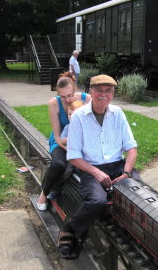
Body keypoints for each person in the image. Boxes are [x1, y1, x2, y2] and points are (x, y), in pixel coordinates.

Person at [58, 74, 138, 258]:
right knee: (97, 201)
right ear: (90, 92)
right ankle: (69, 230)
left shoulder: (117, 113)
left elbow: (131, 148)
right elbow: (73, 156)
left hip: (118, 166)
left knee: (140, 195)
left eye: (108, 91)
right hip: (91, 167)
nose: (104, 94)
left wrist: (126, 172)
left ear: (112, 93)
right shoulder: (78, 116)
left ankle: (133, 231)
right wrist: (96, 173)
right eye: (99, 90)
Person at [37, 72, 91, 211]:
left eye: (70, 95)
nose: (67, 100)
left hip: (83, 143)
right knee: (59, 164)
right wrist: (70, 150)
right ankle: (44, 193)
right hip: (62, 141)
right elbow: (57, 135)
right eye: (62, 96)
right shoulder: (54, 103)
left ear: (75, 89)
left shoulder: (86, 100)